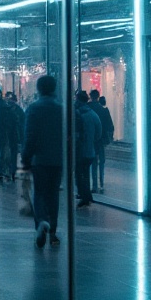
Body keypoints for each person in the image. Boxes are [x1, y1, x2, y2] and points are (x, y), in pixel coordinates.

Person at [22, 74, 63, 249]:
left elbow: (30, 136)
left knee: (39, 193)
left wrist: (26, 157)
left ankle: (41, 222)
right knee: (53, 194)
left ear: (38, 89)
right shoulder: (62, 109)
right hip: (57, 159)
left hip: (39, 159)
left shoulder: (33, 108)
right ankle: (53, 229)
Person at [73, 90, 101, 208]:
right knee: (85, 173)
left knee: (79, 174)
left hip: (79, 150)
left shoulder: (77, 114)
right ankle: (87, 195)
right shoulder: (93, 114)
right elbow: (98, 133)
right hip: (90, 150)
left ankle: (84, 196)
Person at [88, 89, 114, 194]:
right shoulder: (103, 110)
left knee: (93, 163)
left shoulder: (88, 108)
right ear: (98, 97)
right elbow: (110, 125)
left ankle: (94, 185)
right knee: (101, 161)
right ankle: (101, 182)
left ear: (91, 96)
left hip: (91, 139)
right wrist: (109, 137)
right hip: (102, 139)